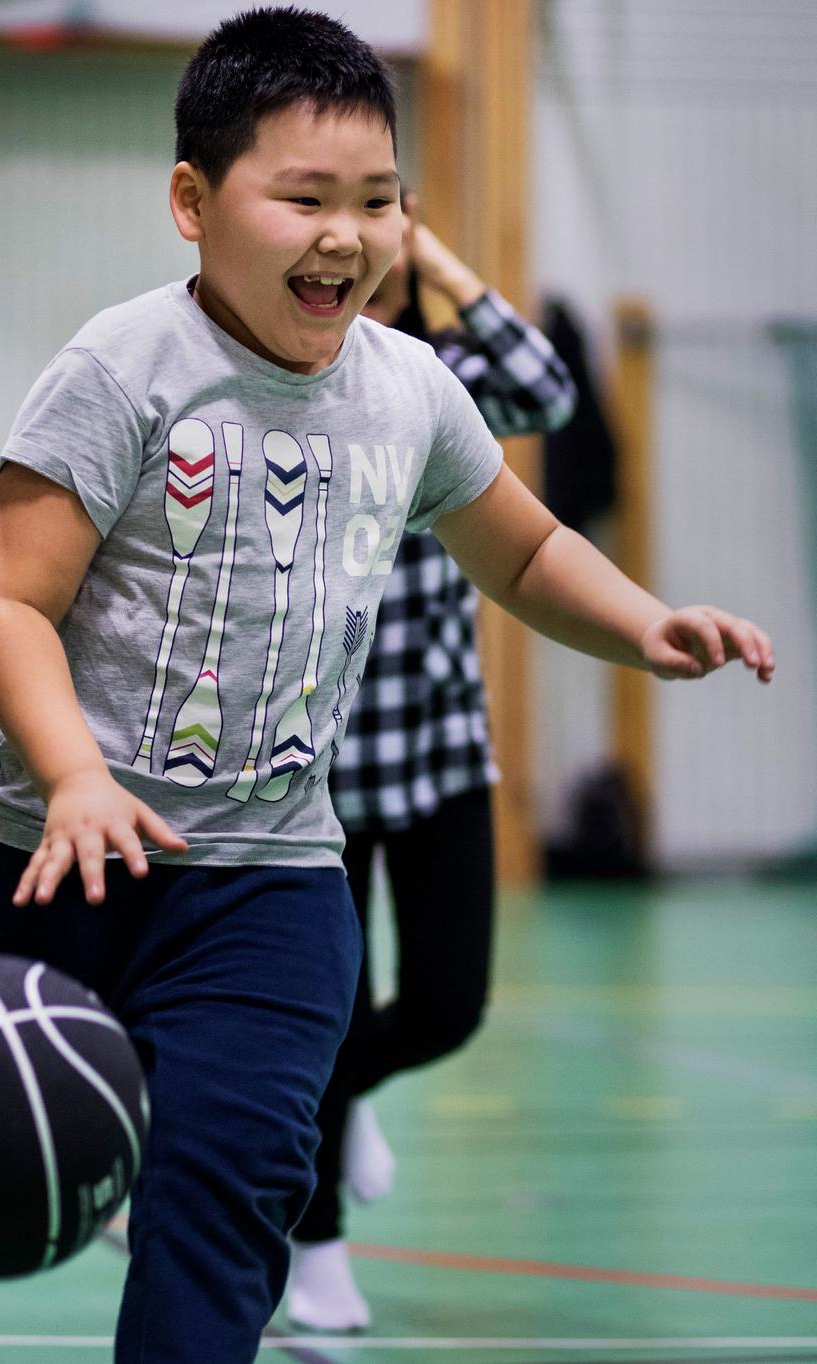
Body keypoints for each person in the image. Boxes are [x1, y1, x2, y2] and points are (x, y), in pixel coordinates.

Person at [0, 9, 774, 1363]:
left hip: (268, 881)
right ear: (194, 203)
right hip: (39, 858)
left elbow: (527, 549)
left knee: (228, 1193)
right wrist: (76, 774)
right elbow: (8, 602)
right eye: (302, 196)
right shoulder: (122, 369)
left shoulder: (412, 390)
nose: (345, 235)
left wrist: (646, 621)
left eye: (377, 201)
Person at [287, 198, 578, 1331]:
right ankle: (315, 1255)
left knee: (450, 1003)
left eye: (381, 211)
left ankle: (349, 1089)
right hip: (326, 760)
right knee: (328, 1016)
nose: (359, 233)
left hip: (443, 743)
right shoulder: (313, 368)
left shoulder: (444, 371)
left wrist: (443, 253)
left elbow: (547, 389)